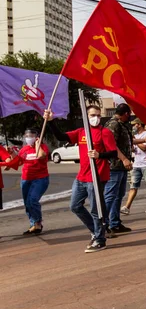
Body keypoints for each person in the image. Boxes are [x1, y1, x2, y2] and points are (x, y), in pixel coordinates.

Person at [45, 106, 117, 253]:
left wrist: (99, 155)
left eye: (97, 115)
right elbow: (61, 137)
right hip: (82, 176)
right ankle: (96, 231)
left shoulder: (105, 132)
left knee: (96, 209)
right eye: (92, 115)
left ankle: (100, 239)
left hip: (97, 176)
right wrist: (51, 121)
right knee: (75, 206)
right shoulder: (81, 132)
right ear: (87, 116)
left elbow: (113, 153)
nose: (95, 117)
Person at [104, 103, 134, 235]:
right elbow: (111, 145)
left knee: (118, 195)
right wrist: (124, 159)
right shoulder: (113, 125)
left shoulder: (121, 124)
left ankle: (115, 223)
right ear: (126, 113)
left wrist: (144, 139)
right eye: (129, 114)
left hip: (121, 167)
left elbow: (126, 141)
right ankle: (103, 225)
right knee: (110, 196)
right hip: (114, 165)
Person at [121, 118, 146, 214]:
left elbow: (145, 148)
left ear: (139, 125)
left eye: (135, 125)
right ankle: (127, 207)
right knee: (133, 186)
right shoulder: (136, 136)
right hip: (136, 164)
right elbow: (134, 149)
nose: (133, 127)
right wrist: (132, 145)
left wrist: (136, 141)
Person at [17, 128, 49, 235]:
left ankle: (38, 223)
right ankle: (33, 224)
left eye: (31, 135)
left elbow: (41, 156)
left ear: (37, 137)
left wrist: (37, 144)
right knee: (27, 203)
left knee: (33, 200)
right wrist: (11, 153)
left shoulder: (42, 147)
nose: (28, 138)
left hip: (40, 178)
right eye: (27, 136)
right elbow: (17, 162)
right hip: (26, 179)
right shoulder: (24, 149)